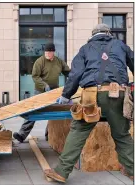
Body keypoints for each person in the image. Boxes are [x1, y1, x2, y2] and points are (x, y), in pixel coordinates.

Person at [44, 24, 134, 182]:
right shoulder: (121, 46)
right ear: (108, 34)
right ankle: (132, 169)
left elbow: (75, 75)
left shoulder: (85, 48)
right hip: (119, 94)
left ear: (93, 35)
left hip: (92, 96)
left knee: (78, 131)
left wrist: (66, 95)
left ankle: (62, 171)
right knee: (122, 135)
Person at [13, 43, 70, 143]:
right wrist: (44, 85)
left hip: (54, 91)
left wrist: (75, 77)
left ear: (53, 52)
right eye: (46, 52)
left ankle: (49, 134)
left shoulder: (59, 62)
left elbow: (67, 72)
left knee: (54, 114)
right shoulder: (40, 62)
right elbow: (35, 76)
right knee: (33, 112)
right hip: (40, 91)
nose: (47, 54)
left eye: (49, 52)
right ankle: (22, 134)